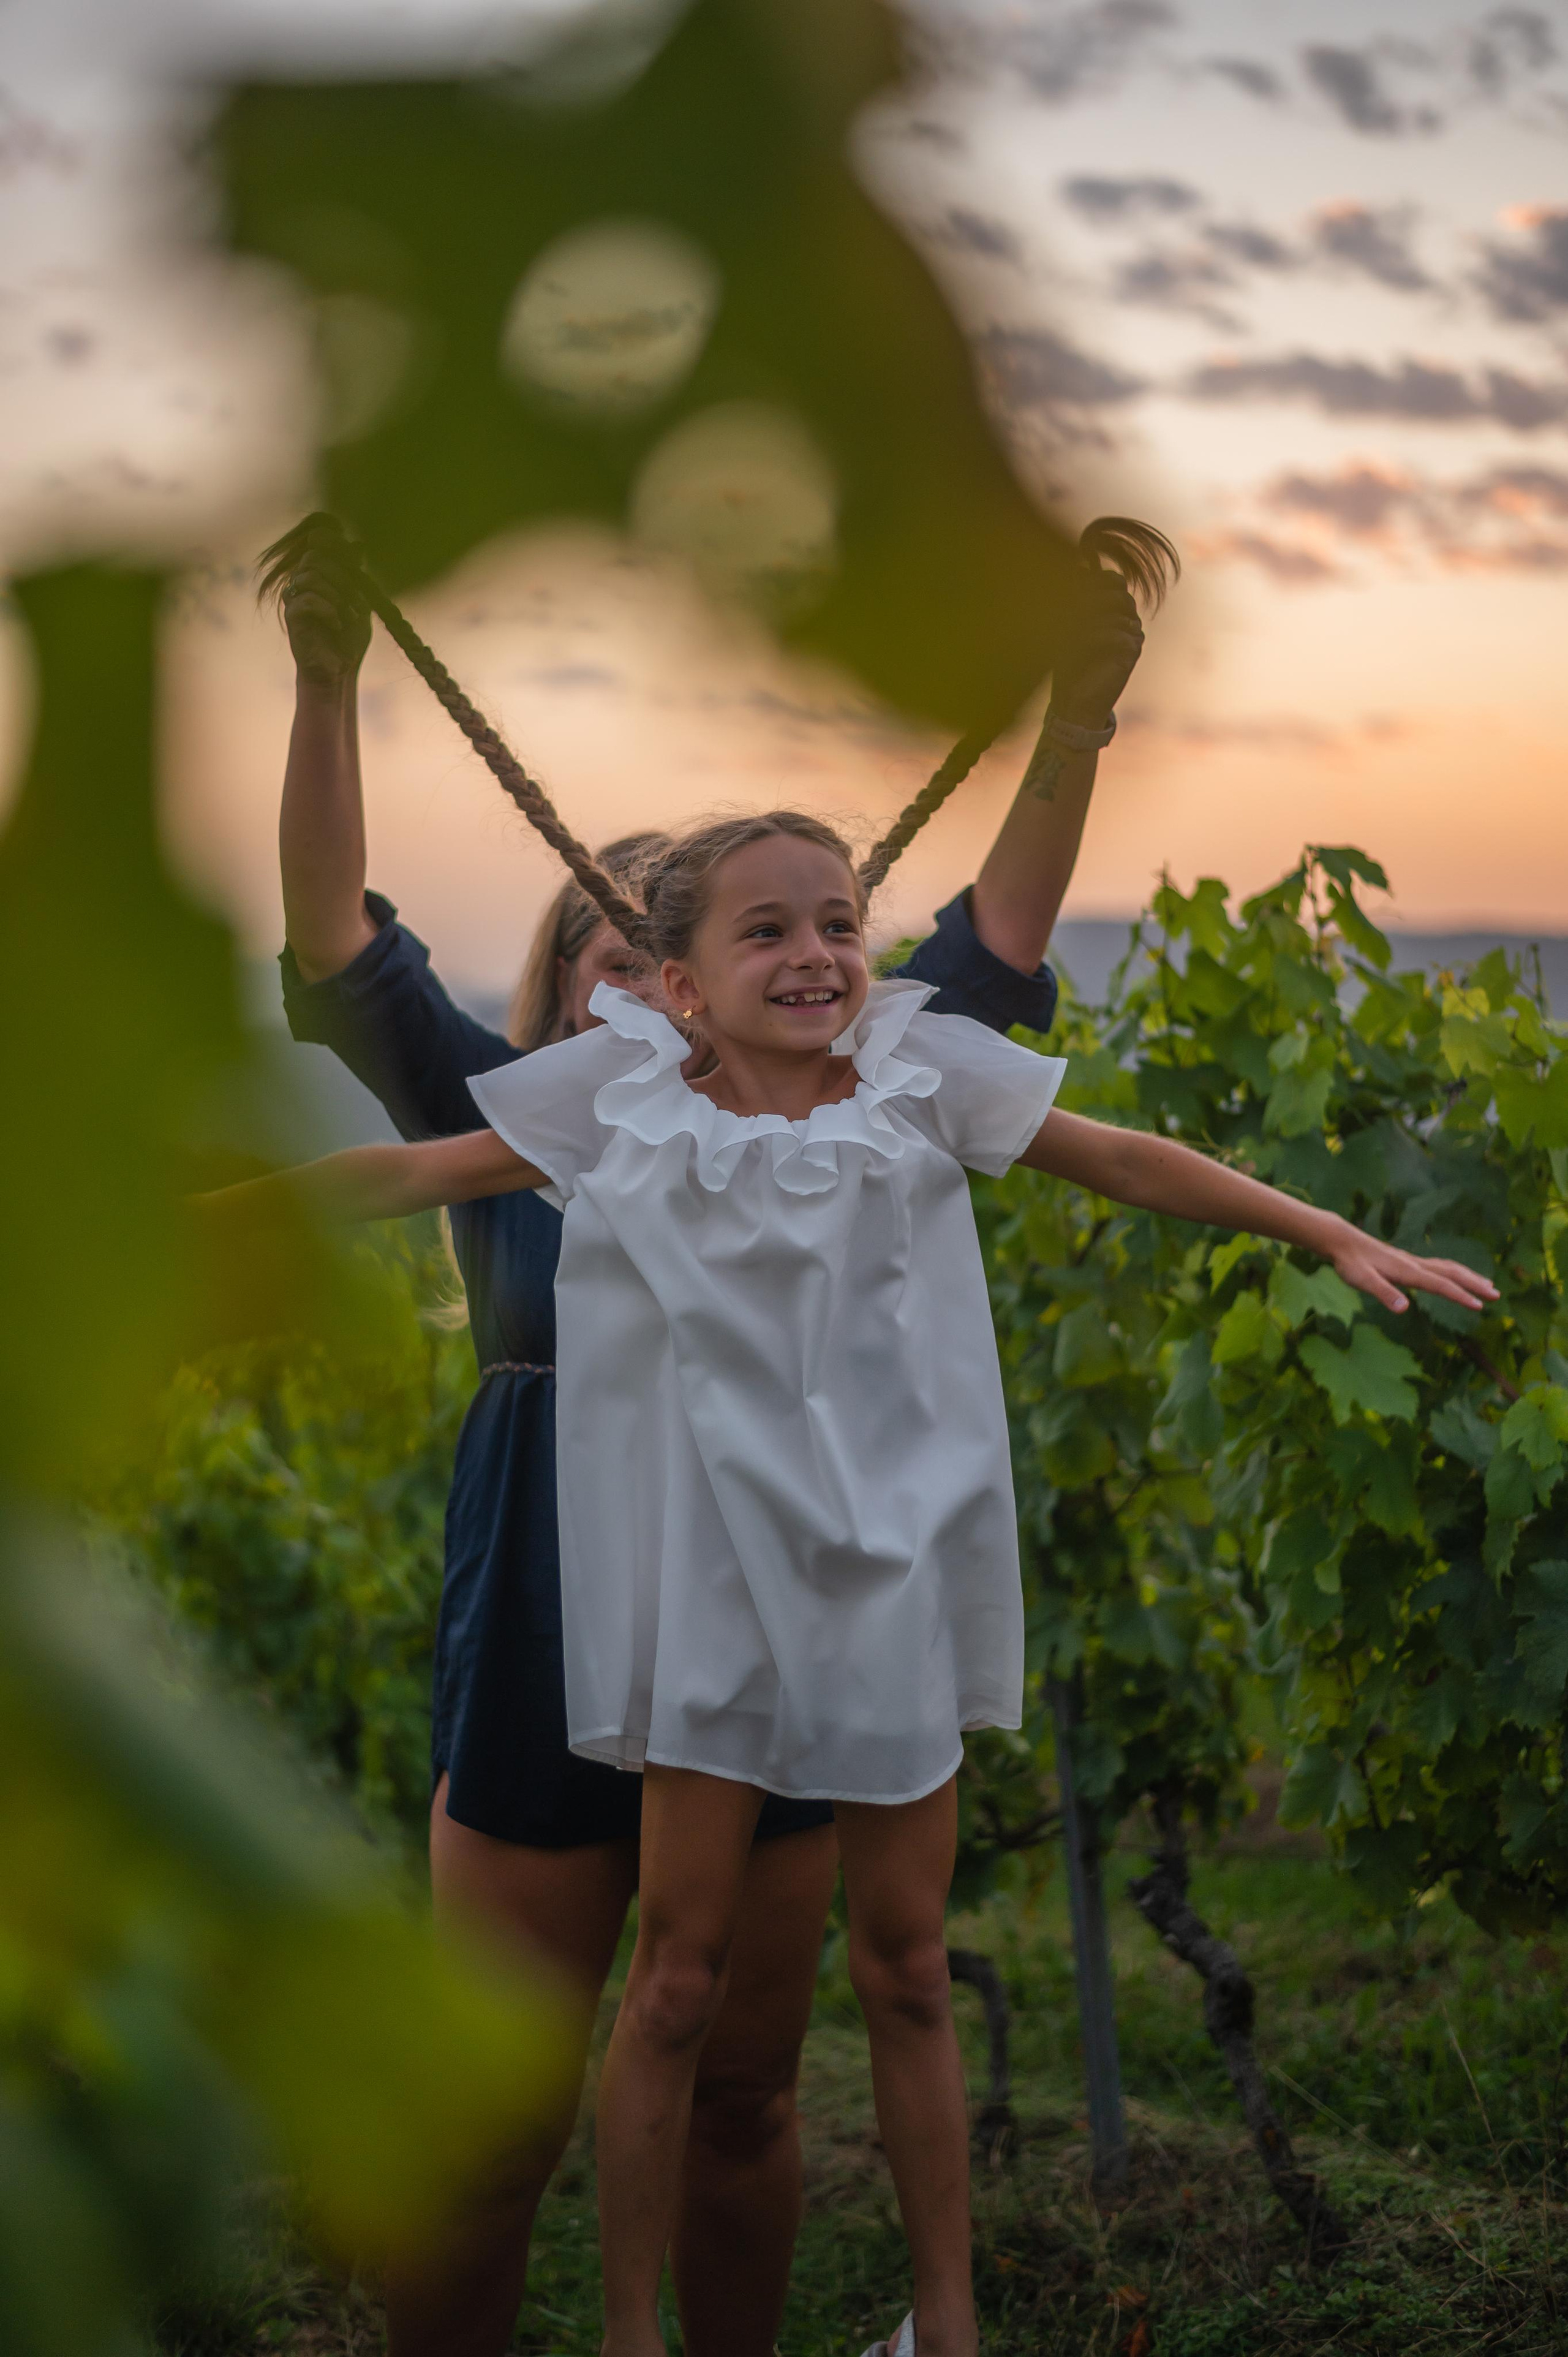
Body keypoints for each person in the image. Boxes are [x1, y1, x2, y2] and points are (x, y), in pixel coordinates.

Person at [213, 804, 1496, 2357]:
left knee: (903, 1969)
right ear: (674, 986)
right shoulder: (622, 1100)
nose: (816, 954)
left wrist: (1325, 1227)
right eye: (764, 930)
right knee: (674, 1991)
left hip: (885, 1589)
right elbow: (410, 1167)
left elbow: (1122, 1156)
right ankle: (632, 2334)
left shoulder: (918, 1071)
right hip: (697, 1603)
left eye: (837, 922)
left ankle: (943, 2327)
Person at [268, 531, 1150, 2357]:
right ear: (576, 1003)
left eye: (672, 972)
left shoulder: (845, 1070)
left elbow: (992, 935)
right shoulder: (513, 1106)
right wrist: (327, 673)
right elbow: (331, 929)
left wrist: (1078, 713)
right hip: (544, 1625)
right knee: (495, 2130)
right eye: (607, 974)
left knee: (746, 2089)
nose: (648, 1011)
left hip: (775, 1630)